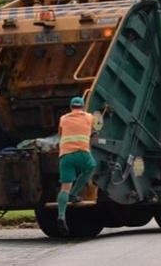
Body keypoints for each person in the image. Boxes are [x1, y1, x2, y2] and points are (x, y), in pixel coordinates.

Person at [56, 96, 96, 235]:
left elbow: (60, 134)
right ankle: (74, 194)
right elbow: (95, 127)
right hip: (82, 154)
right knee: (91, 167)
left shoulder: (63, 118)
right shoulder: (88, 117)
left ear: (71, 107)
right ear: (83, 106)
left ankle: (61, 215)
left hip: (66, 155)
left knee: (64, 188)